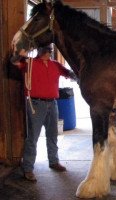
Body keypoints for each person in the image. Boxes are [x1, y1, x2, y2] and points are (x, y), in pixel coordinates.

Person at [13, 45, 77, 181]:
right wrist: (23, 51)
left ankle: (53, 161)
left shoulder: (55, 65)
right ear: (39, 50)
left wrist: (80, 74)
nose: (48, 52)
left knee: (52, 134)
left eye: (49, 50)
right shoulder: (29, 63)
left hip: (52, 103)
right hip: (35, 104)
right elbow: (14, 61)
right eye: (45, 50)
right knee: (33, 137)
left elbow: (70, 74)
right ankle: (28, 168)